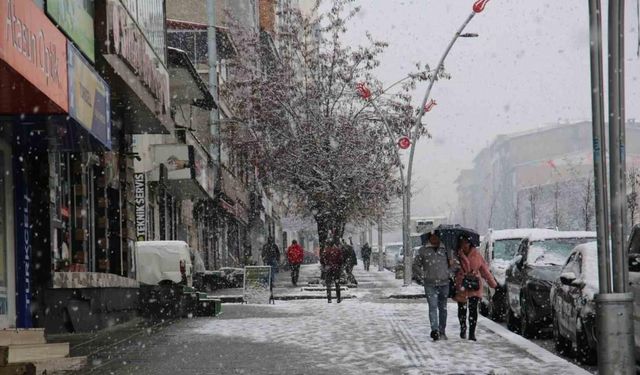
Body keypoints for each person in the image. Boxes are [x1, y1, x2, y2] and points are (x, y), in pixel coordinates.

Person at [453, 235, 497, 341]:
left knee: (473, 310)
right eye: (462, 243)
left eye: (466, 243)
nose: (464, 245)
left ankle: (472, 333)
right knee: (462, 309)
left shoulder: (477, 255)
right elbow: (452, 269)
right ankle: (463, 328)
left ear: (470, 243)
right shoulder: (456, 254)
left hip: (474, 285)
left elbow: (484, 270)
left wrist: (493, 284)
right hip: (462, 284)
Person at [412, 231, 451, 341]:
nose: (434, 239)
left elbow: (454, 264)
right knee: (433, 306)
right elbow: (415, 265)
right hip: (430, 283)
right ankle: (435, 330)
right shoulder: (423, 250)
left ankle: (442, 330)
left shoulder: (446, 249)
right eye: (432, 237)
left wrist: (449, 273)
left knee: (443, 308)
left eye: (436, 237)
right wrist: (422, 275)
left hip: (444, 283)